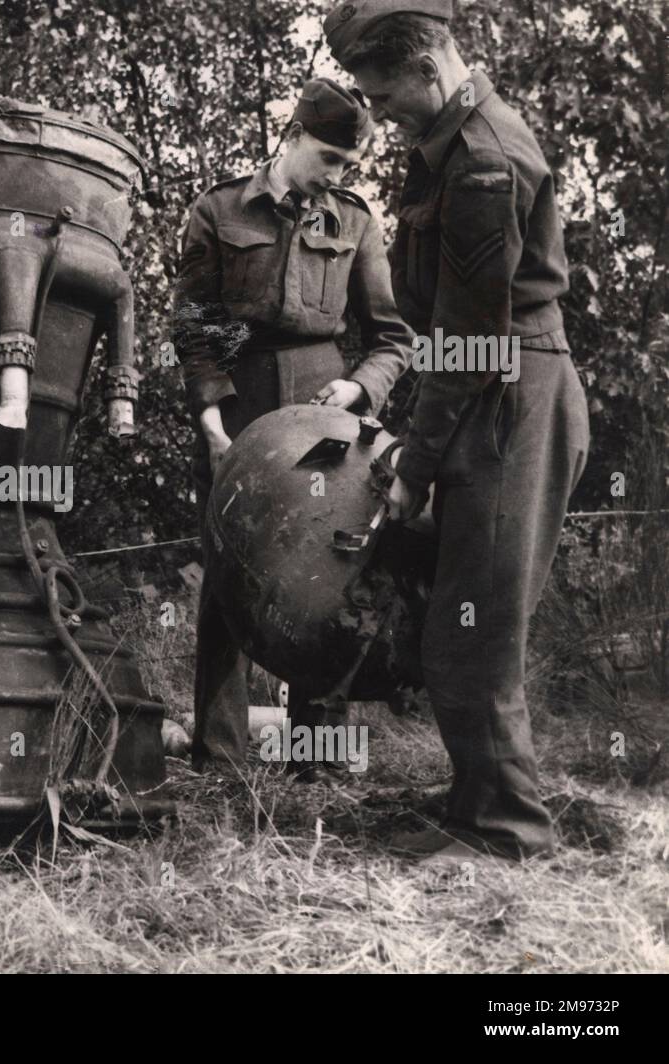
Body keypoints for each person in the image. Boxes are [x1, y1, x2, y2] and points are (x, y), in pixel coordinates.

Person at [324, 0, 589, 861]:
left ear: (429, 68)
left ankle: (509, 833)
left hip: (511, 396)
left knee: (476, 624)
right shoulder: (445, 144)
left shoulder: (481, 160)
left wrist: (417, 465)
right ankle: (475, 807)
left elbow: (468, 341)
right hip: (492, 390)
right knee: (460, 615)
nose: (383, 116)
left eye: (386, 96)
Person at [173, 77, 413, 776]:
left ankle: (318, 756)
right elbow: (193, 325)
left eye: (347, 164)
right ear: (293, 136)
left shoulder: (355, 221)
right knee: (226, 568)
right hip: (238, 401)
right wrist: (212, 416)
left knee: (329, 569)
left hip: (325, 411)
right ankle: (218, 753)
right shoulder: (218, 210)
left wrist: (359, 389)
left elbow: (393, 338)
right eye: (329, 158)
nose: (336, 175)